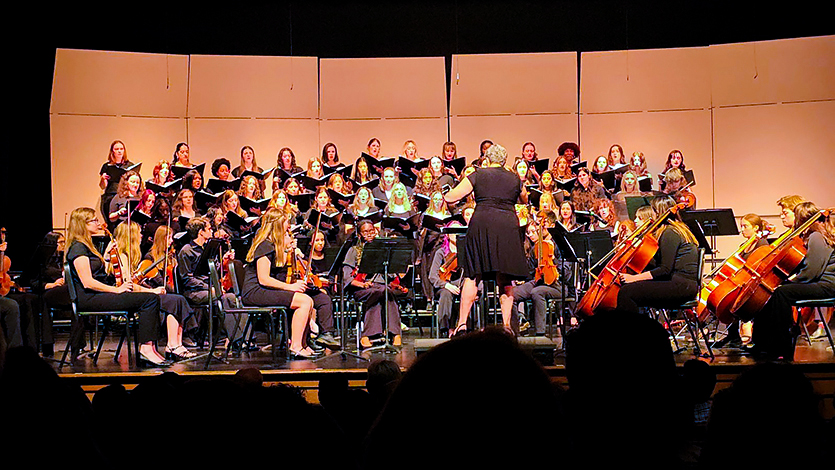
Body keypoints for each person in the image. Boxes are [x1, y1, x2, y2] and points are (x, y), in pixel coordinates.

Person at [64, 207, 169, 367]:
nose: (98, 223)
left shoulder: (88, 246)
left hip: (97, 295)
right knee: (149, 299)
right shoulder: (78, 248)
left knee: (150, 298)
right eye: (94, 220)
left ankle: (151, 348)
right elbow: (87, 282)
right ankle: (147, 349)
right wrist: (116, 289)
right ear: (82, 224)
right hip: (89, 298)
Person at [443, 144, 528, 335]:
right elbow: (524, 198)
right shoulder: (514, 177)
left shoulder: (479, 174)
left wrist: (445, 192)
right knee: (505, 278)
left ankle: (462, 324)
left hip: (482, 224)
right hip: (507, 226)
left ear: (487, 159)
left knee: (473, 275)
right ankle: (506, 326)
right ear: (504, 161)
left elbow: (451, 197)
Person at [243, 210, 337, 359]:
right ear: (277, 226)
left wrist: (290, 252)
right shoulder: (264, 245)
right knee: (304, 301)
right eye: (286, 226)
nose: (288, 229)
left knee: (308, 299)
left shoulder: (274, 245)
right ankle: (296, 346)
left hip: (264, 289)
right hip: (255, 291)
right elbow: (264, 279)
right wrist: (291, 287)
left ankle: (304, 344)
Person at [749, 202, 835, 359]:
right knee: (773, 292)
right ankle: (763, 343)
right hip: (822, 283)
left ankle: (778, 346)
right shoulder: (817, 234)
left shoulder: (816, 236)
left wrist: (789, 282)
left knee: (781, 293)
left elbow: (812, 272)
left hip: (827, 286)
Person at [114, 223, 195, 362]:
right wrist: (153, 291)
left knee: (177, 299)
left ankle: (176, 344)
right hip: (131, 297)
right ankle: (171, 345)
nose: (141, 236)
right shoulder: (123, 256)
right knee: (175, 300)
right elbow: (129, 285)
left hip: (142, 295)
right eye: (139, 233)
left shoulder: (132, 255)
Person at [616, 196, 700, 314]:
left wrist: (634, 278)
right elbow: (658, 264)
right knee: (629, 290)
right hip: (679, 283)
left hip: (680, 286)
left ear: (659, 212)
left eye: (653, 211)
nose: (652, 215)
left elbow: (665, 269)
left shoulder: (670, 232)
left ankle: (631, 331)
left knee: (627, 293)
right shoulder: (675, 230)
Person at [176, 217, 241, 346]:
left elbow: (215, 269)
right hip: (194, 291)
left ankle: (240, 337)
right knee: (219, 297)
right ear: (201, 232)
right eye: (209, 229)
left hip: (210, 288)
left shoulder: (209, 248)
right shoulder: (186, 251)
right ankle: (228, 336)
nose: (212, 231)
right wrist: (209, 287)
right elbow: (187, 279)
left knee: (233, 298)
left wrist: (224, 260)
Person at [342, 219, 402, 348]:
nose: (369, 234)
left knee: (384, 291)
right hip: (361, 288)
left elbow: (392, 274)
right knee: (380, 292)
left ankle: (373, 335)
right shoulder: (354, 251)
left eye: (371, 231)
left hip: (382, 286)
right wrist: (362, 285)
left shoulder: (384, 250)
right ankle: (392, 333)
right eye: (365, 232)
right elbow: (346, 277)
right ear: (359, 235)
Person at [98, 140, 133, 220]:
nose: (119, 151)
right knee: (111, 222)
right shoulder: (107, 166)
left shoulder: (129, 166)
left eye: (121, 149)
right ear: (112, 151)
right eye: (116, 149)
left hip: (125, 197)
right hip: (111, 196)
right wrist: (103, 179)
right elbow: (103, 186)